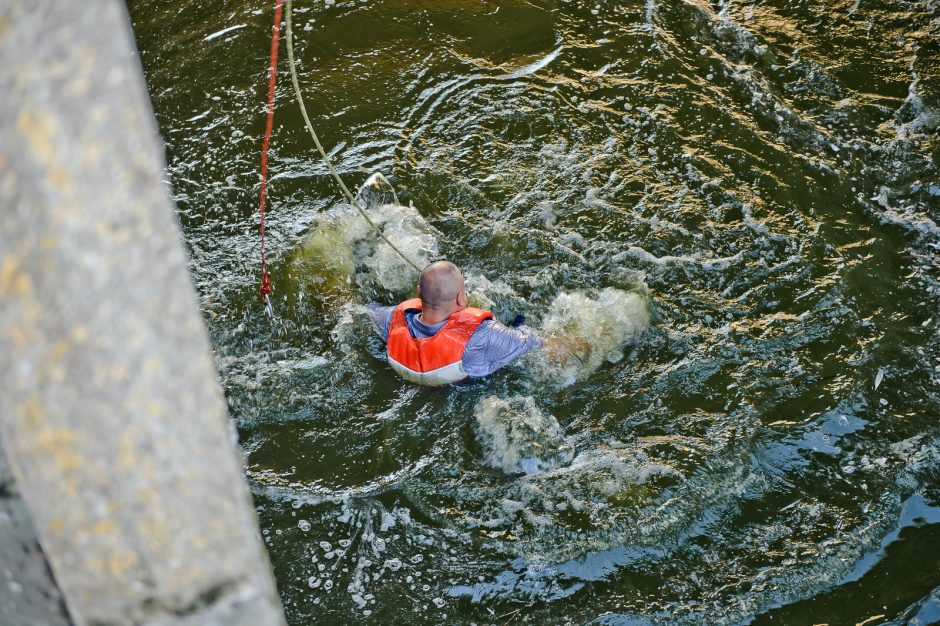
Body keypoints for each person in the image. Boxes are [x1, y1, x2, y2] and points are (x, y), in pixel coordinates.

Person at [367, 261, 539, 386]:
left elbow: (367, 310)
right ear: (460, 299)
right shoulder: (482, 336)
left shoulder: (390, 320)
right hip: (465, 386)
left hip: (408, 377)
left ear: (418, 293)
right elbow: (532, 343)